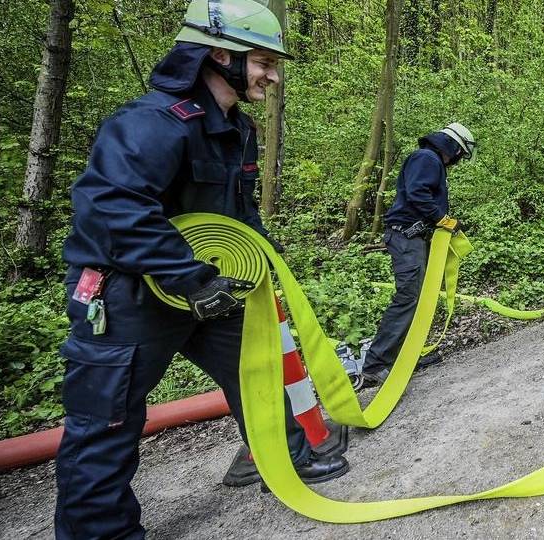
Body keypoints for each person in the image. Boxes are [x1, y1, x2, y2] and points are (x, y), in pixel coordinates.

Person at [55, 1, 349, 537]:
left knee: (256, 365)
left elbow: (238, 214)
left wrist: (261, 262)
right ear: (219, 54)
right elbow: (112, 211)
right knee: (107, 419)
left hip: (211, 285)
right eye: (263, 61)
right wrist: (191, 278)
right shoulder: (150, 124)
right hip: (130, 295)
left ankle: (282, 458)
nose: (272, 75)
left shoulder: (236, 128)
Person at [358, 123, 476, 388]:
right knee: (408, 297)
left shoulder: (430, 160)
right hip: (406, 236)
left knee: (419, 297)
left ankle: (406, 356)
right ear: (455, 147)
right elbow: (417, 193)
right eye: (461, 155)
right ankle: (375, 365)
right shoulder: (426, 158)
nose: (459, 161)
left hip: (414, 237)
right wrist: (442, 219)